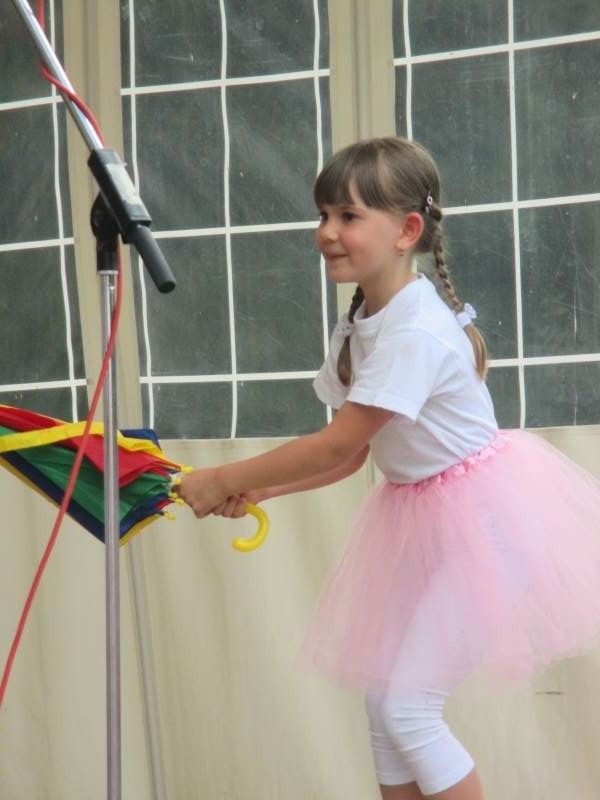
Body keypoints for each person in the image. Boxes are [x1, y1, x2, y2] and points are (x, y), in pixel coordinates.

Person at [176, 137, 600, 799]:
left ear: (406, 231)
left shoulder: (415, 331)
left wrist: (223, 478)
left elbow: (336, 444)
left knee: (408, 707)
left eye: (348, 216)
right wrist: (262, 488)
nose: (326, 232)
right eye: (323, 215)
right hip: (426, 516)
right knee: (384, 705)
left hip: (491, 528)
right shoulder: (361, 324)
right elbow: (354, 458)